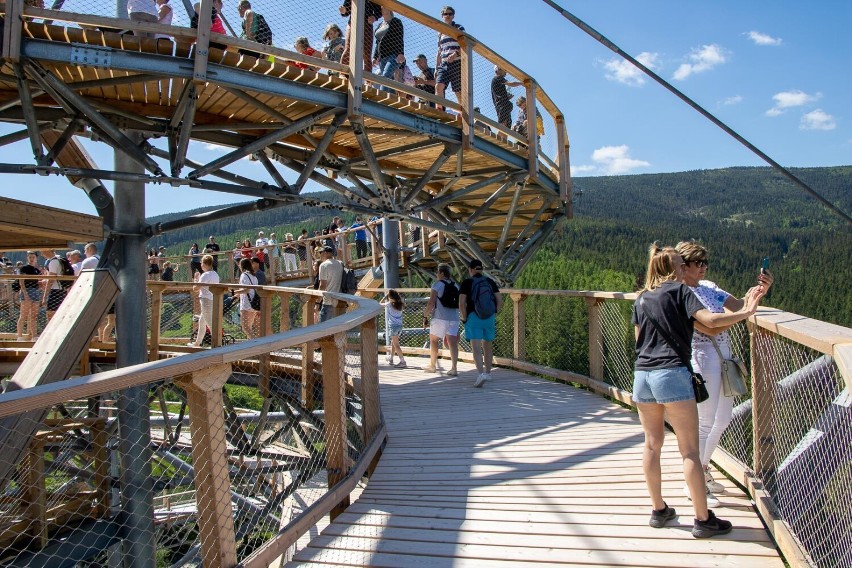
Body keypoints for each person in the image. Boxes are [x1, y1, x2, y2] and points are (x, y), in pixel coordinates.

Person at [632, 243, 765, 538]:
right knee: (690, 450)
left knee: (652, 444)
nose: (684, 270)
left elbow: (639, 341)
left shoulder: (641, 299)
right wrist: (748, 311)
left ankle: (659, 510)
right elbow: (712, 321)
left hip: (643, 375)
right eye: (681, 265)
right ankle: (703, 519)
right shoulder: (681, 292)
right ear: (671, 270)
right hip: (672, 374)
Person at [675, 240, 774, 506]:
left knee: (723, 418)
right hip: (702, 355)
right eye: (698, 263)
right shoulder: (682, 293)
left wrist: (757, 294)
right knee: (706, 421)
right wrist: (745, 313)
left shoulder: (709, 288)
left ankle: (703, 471)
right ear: (683, 267)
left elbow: (738, 305)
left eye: (705, 262)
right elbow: (710, 327)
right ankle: (693, 482)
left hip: (724, 355)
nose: (703, 268)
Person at [458, 258, 501, 387]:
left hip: (473, 317)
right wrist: (493, 313)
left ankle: (481, 374)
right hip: (489, 317)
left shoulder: (467, 283)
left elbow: (461, 303)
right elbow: (500, 300)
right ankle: (488, 373)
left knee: (476, 347)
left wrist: (464, 317)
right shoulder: (490, 282)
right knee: (488, 345)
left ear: (470, 270)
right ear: (481, 269)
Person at [424, 263, 459, 375]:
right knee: (452, 343)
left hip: (440, 317)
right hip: (454, 317)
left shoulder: (437, 285)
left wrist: (425, 315)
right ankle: (454, 368)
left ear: (442, 273)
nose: (436, 274)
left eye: (437, 272)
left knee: (434, 340)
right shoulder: (456, 286)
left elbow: (431, 303)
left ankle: (433, 365)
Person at [339, 0, 382, 72]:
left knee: (367, 54)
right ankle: (342, 73)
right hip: (353, 21)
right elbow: (346, 8)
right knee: (348, 49)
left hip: (367, 24)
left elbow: (379, 11)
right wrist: (344, 10)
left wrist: (374, 17)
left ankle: (368, 81)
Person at [434, 6, 465, 106]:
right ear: (442, 16)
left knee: (457, 90)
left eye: (449, 14)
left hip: (457, 62)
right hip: (444, 63)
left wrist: (455, 54)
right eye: (445, 14)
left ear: (453, 16)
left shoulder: (459, 28)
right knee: (438, 86)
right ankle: (439, 110)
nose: (447, 16)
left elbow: (465, 45)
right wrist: (436, 68)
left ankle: (463, 114)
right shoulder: (440, 32)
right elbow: (439, 51)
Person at [189, 254, 219, 347]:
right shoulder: (215, 274)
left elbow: (196, 288)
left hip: (206, 300)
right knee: (202, 322)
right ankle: (197, 343)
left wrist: (195, 279)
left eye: (201, 262)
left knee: (210, 323)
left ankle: (217, 344)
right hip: (212, 299)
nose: (201, 264)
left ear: (205, 264)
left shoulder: (205, 275)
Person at [372, 6, 404, 92]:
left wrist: (401, 53)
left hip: (393, 56)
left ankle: (381, 98)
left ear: (389, 8)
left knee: (385, 77)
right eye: (380, 8)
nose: (381, 9)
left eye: (383, 7)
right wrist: (375, 57)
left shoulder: (396, 22)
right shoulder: (379, 25)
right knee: (389, 80)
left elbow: (399, 38)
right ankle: (392, 102)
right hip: (382, 57)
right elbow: (377, 42)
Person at [16, 251, 40, 341]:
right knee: (23, 315)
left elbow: (37, 282)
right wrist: (25, 293)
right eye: (30, 257)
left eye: (33, 257)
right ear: (27, 258)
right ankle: (19, 336)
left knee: (33, 316)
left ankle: (34, 336)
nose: (31, 259)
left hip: (36, 291)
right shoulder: (24, 268)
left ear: (36, 258)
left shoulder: (37, 270)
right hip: (27, 290)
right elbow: (21, 281)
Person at [381, 289, 407, 368]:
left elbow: (379, 304)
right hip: (399, 326)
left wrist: (384, 297)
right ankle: (391, 359)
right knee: (393, 343)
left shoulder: (389, 304)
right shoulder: (400, 304)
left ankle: (403, 361)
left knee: (396, 344)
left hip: (393, 326)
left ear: (390, 297)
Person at [317, 245, 343, 322]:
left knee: (323, 328)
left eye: (320, 253)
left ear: (325, 253)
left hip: (328, 300)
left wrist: (317, 302)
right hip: (340, 299)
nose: (320, 255)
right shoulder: (340, 263)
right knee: (338, 327)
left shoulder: (324, 265)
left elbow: (322, 286)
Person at [41, 249, 67, 322]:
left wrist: (45, 296)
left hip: (56, 291)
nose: (41, 254)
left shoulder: (53, 262)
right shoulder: (59, 260)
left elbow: (51, 280)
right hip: (62, 289)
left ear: (48, 251)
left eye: (42, 251)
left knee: (50, 314)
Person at [238, 257, 259, 339]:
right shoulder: (254, 276)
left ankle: (256, 343)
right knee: (249, 327)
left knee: (245, 328)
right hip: (254, 303)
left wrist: (234, 292)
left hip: (246, 303)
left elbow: (246, 289)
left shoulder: (244, 275)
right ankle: (251, 347)